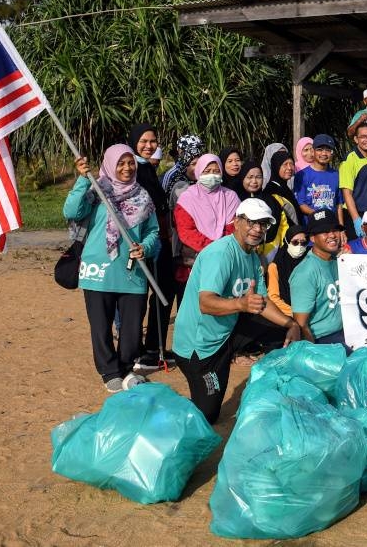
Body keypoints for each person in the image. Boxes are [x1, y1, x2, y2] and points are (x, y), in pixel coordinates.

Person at [171, 198, 307, 423]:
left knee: (283, 333)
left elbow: (262, 300)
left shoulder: (252, 256)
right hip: (199, 346)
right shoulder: (221, 253)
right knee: (208, 415)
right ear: (237, 222)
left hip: (228, 330)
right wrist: (241, 304)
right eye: (252, 222)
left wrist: (291, 324)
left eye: (263, 224)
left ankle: (275, 389)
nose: (257, 229)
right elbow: (205, 303)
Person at [65, 145, 159, 392]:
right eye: (121, 163)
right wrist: (84, 180)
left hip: (132, 271)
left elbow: (153, 232)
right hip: (98, 270)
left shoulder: (143, 196)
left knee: (132, 326)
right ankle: (109, 371)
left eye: (130, 163)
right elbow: (71, 210)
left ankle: (127, 368)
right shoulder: (97, 191)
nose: (127, 168)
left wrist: (145, 247)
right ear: (109, 164)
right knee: (100, 326)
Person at [128, 123, 175, 370]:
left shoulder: (148, 168)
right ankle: (136, 352)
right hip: (142, 242)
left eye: (153, 141)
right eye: (144, 141)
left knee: (162, 295)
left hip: (160, 242)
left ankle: (154, 348)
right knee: (138, 297)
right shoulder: (132, 168)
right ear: (134, 141)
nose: (149, 146)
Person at [172, 154, 241, 287]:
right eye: (207, 171)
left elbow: (235, 226)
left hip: (226, 260)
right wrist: (212, 249)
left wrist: (221, 250)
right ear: (198, 172)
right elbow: (186, 231)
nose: (212, 175)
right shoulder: (187, 199)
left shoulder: (231, 197)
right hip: (194, 262)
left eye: (216, 171)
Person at [289, 210, 347, 349]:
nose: (332, 235)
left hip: (345, 333)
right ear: (313, 238)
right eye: (325, 232)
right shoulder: (305, 272)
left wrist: (350, 262)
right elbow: (301, 324)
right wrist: (315, 353)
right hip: (322, 339)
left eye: (335, 230)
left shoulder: (338, 261)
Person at [339, 121, 367, 239]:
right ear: (356, 139)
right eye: (363, 137)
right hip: (354, 214)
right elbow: (347, 193)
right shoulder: (349, 159)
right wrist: (356, 220)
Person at [294, 134, 342, 227]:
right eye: (320, 150)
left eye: (328, 150)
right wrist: (321, 216)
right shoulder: (302, 175)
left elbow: (338, 203)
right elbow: (301, 204)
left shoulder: (336, 175)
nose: (324, 154)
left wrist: (341, 227)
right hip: (311, 227)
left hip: (331, 226)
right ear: (314, 151)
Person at [262, 150, 301, 258]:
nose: (289, 168)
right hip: (280, 247)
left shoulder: (284, 188)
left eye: (291, 164)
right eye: (285, 164)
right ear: (276, 166)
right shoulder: (272, 191)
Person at [267, 226, 308, 318]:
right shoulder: (275, 266)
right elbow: (273, 297)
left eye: (303, 242)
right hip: (290, 315)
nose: (299, 246)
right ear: (287, 241)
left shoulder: (311, 258)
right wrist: (296, 314)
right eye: (295, 242)